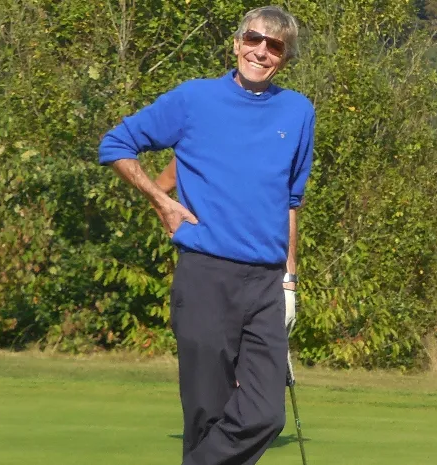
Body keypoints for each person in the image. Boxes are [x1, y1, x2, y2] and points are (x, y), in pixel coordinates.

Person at [98, 6, 314, 465]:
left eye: (274, 46)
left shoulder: (297, 111)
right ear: (236, 43)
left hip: (266, 282)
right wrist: (161, 199)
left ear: (285, 57)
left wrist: (290, 280)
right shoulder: (193, 99)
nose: (261, 51)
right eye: (253, 39)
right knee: (206, 413)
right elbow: (115, 145)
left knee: (265, 414)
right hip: (205, 275)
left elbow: (290, 202)